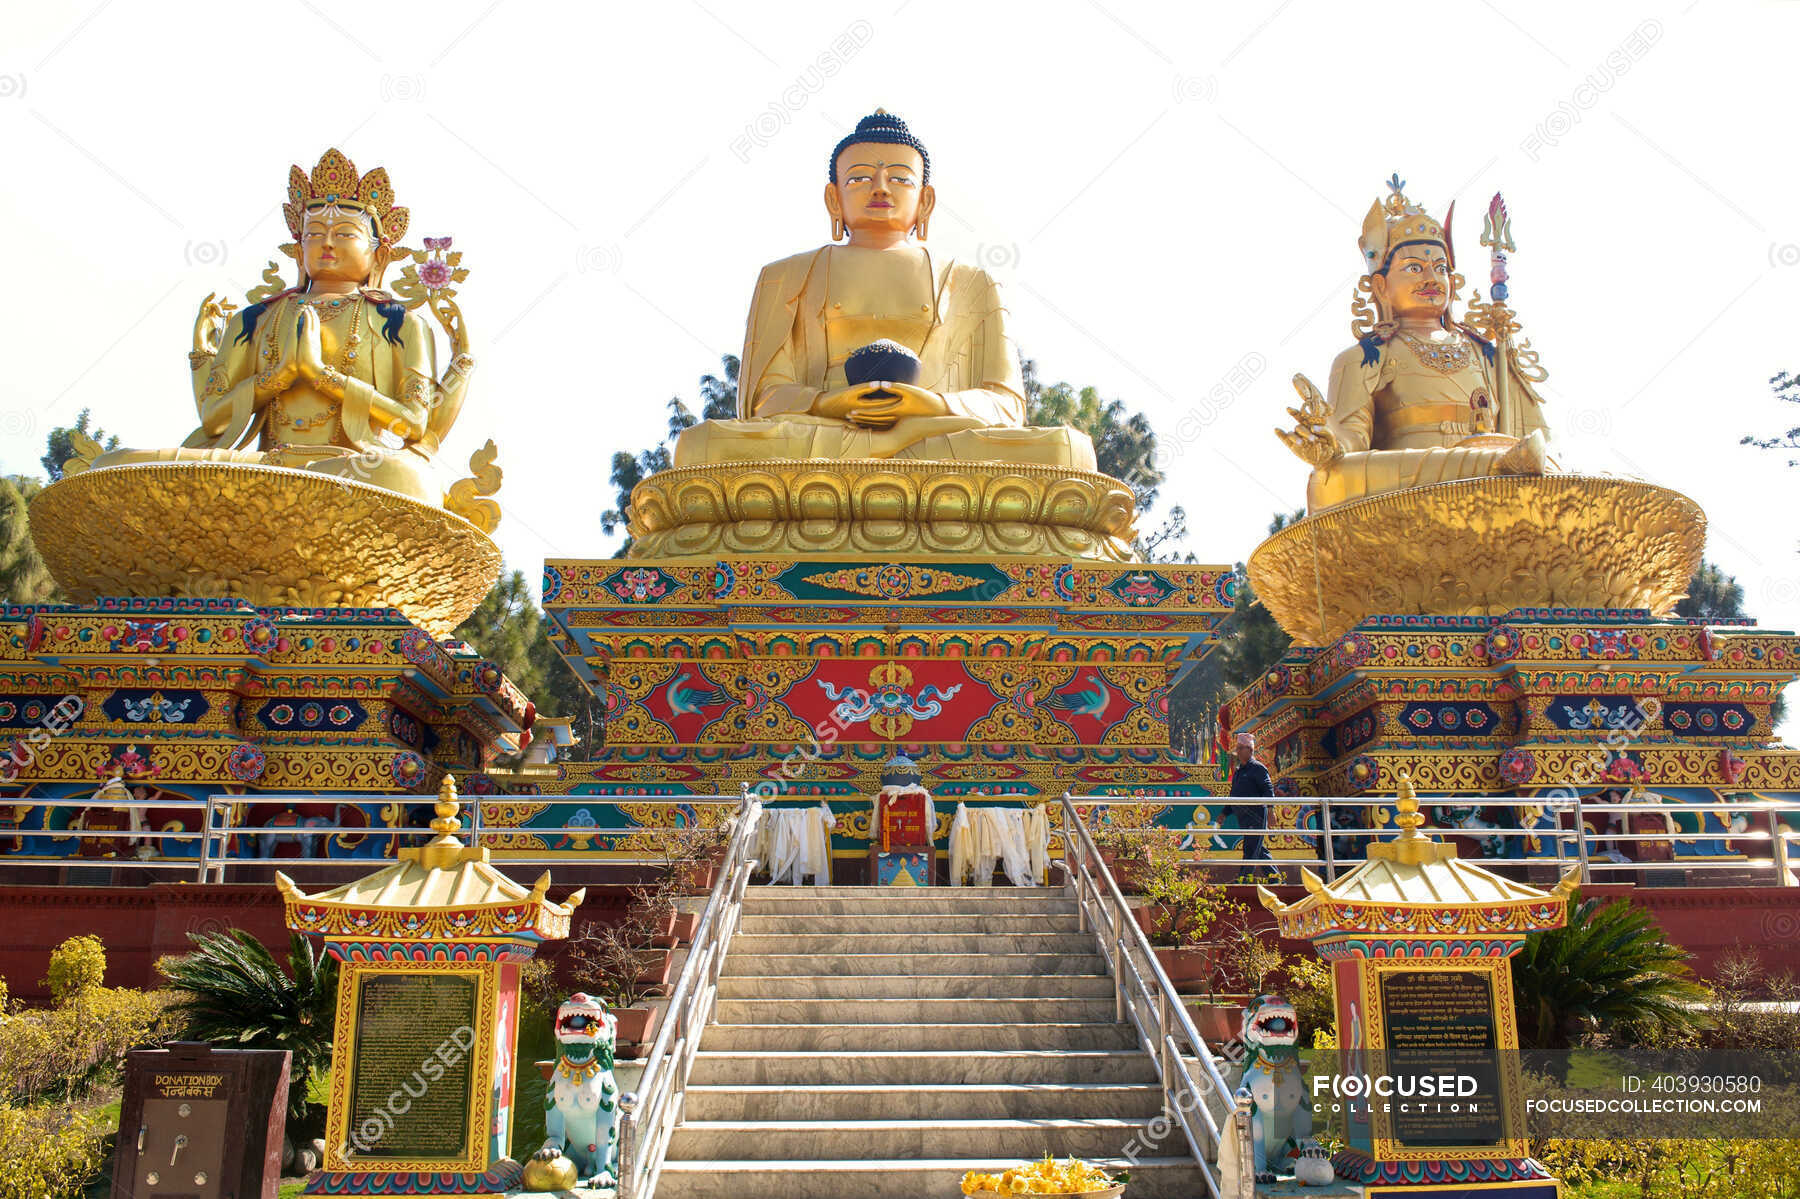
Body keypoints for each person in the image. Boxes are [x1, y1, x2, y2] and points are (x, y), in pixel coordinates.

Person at [1230, 732, 1276, 882]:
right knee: (1258, 847)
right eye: (1237, 748)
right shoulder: (1238, 771)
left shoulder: (1258, 768)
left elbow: (1268, 789)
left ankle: (1244, 878)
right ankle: (1275, 878)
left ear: (1249, 750)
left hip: (1256, 814)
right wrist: (1225, 812)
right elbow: (1234, 794)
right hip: (1244, 816)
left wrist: (1271, 811)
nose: (1237, 751)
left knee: (1251, 848)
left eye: (1240, 748)